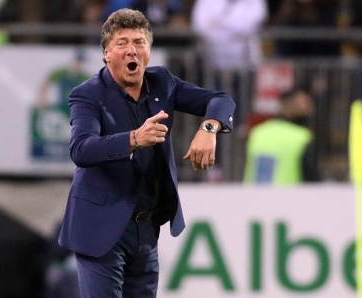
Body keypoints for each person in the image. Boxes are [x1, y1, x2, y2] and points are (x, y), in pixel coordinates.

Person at [57, 8, 236, 297]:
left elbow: (220, 99)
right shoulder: (87, 94)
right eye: (122, 43)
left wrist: (208, 129)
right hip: (101, 228)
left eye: (139, 42)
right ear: (106, 53)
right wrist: (133, 139)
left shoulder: (162, 82)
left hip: (147, 229)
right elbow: (81, 149)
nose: (132, 50)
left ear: (149, 50)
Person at [243, 89, 321, 185]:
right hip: (287, 197)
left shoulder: (258, 132)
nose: (310, 110)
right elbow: (312, 181)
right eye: (305, 105)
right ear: (288, 106)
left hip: (253, 196)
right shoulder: (301, 137)